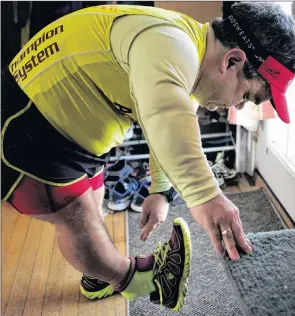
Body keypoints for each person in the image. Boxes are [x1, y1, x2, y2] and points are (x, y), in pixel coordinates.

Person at [2, 2, 295, 311]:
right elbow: (166, 115)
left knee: (93, 199)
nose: (237, 107)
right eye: (247, 96)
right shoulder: (167, 43)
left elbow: (161, 116)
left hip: (66, 123)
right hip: (28, 126)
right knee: (76, 218)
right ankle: (144, 280)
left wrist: (160, 189)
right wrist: (207, 197)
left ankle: (96, 276)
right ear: (233, 61)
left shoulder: (184, 47)